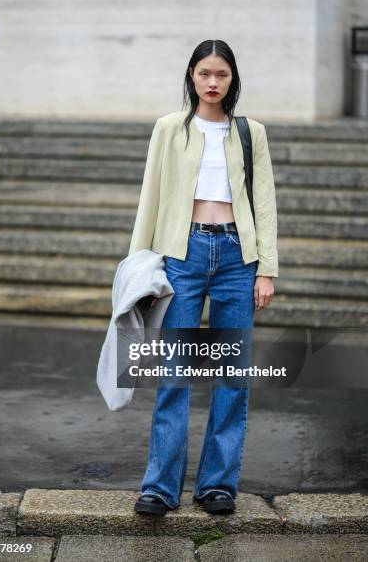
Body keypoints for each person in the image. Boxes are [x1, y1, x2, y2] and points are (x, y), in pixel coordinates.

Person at [129, 39, 278, 515]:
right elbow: (150, 196)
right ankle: (159, 487)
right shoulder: (169, 129)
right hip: (182, 253)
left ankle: (218, 484)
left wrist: (267, 268)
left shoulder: (250, 132)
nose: (213, 83)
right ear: (191, 76)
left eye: (223, 75)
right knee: (174, 374)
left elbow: (265, 202)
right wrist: (141, 267)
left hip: (239, 257)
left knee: (232, 377)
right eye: (204, 74)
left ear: (233, 79)